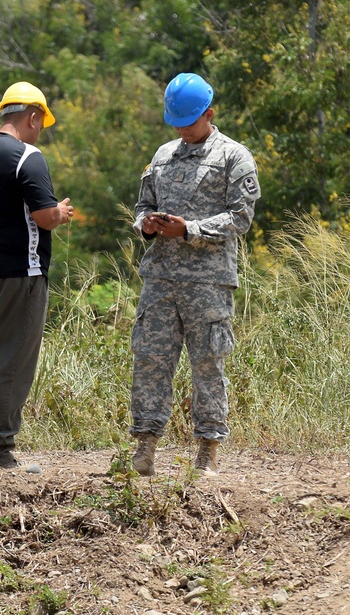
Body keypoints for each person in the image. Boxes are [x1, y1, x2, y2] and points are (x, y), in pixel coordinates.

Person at [129, 72, 261, 477]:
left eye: (189, 122)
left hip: (208, 282)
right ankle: (145, 448)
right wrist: (146, 224)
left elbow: (241, 218)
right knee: (150, 361)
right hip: (161, 279)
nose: (183, 130)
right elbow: (142, 205)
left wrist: (190, 229)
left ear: (209, 113)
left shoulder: (234, 157)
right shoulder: (163, 155)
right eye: (177, 123)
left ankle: (207, 451)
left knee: (208, 365)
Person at [0, 81, 74, 475]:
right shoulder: (27, 156)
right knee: (10, 361)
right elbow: (43, 217)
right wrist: (60, 212)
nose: (40, 131)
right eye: (41, 123)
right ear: (32, 117)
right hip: (18, 273)